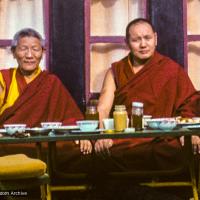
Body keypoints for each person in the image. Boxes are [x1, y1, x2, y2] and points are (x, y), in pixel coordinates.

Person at [95, 18, 200, 172]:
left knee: (183, 150)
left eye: (148, 38)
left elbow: (188, 104)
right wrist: (102, 136)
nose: (143, 44)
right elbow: (103, 108)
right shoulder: (116, 71)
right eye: (136, 40)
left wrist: (188, 133)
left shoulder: (171, 69)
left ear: (155, 39)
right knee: (103, 154)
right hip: (127, 137)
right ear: (127, 42)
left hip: (163, 137)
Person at [0, 28, 92, 156]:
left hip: (44, 141)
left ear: (43, 53)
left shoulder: (51, 82)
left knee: (76, 150)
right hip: (9, 141)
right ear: (14, 52)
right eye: (23, 49)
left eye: (35, 49)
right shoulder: (4, 79)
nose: (29, 55)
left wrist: (82, 135)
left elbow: (71, 117)